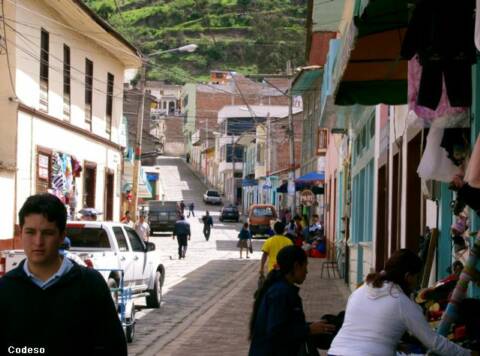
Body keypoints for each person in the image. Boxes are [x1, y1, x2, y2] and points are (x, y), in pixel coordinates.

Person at [0, 193, 126, 355]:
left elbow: (113, 347)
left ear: (62, 236)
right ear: (21, 233)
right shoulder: (6, 289)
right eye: (30, 232)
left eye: (47, 233)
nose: (38, 241)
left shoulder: (90, 285)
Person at [328, 249, 473, 356]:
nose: (416, 282)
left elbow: (366, 332)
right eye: (416, 277)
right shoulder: (401, 302)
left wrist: (396, 344)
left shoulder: (360, 290)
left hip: (335, 351)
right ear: (408, 276)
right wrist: (468, 354)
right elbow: (434, 343)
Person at [249, 245, 336, 356]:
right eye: (305, 266)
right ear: (296, 266)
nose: (307, 271)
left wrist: (312, 327)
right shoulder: (280, 293)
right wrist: (308, 330)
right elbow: (276, 333)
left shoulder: (283, 289)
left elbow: (287, 323)